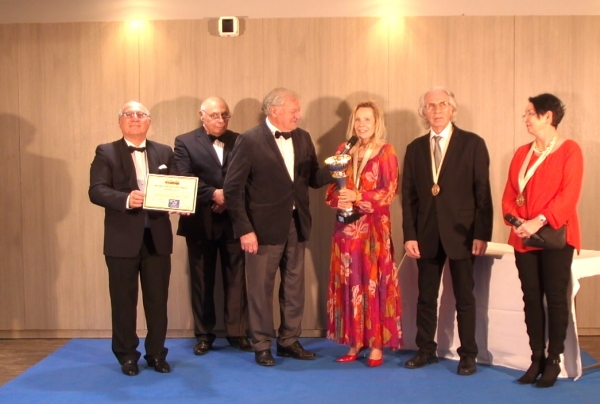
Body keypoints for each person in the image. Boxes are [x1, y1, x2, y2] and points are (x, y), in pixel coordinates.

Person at [223, 88, 332, 367]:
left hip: (297, 224)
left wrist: (335, 169)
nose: (299, 115)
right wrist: (245, 229)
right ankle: (261, 344)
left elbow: (313, 179)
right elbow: (233, 190)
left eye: (298, 110)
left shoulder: (304, 137)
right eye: (293, 110)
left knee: (295, 287)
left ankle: (289, 340)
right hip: (261, 230)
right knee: (260, 289)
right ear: (274, 111)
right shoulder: (249, 140)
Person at [401, 87, 493, 376]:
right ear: (424, 112)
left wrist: (482, 233)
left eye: (442, 105)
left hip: (463, 233)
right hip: (426, 234)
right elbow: (409, 197)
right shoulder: (415, 148)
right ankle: (426, 349)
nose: (437, 110)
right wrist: (409, 234)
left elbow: (482, 193)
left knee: (465, 297)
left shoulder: (473, 143)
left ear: (453, 109)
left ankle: (468, 355)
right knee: (425, 297)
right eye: (431, 106)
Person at [502, 93, 583, 388]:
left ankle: (554, 359)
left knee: (556, 298)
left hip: (556, 235)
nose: (525, 119)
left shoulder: (569, 150)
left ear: (548, 116)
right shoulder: (522, 153)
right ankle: (536, 357)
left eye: (530, 113)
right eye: (525, 114)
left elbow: (569, 195)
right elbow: (511, 193)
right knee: (531, 297)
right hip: (524, 236)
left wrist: (539, 219)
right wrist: (516, 221)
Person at [89, 101, 176, 376]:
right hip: (121, 239)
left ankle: (156, 354)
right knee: (123, 301)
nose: (135, 118)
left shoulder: (164, 151)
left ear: (149, 121)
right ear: (120, 121)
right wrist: (126, 198)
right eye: (129, 114)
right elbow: (96, 190)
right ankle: (127, 356)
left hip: (157, 238)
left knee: (157, 301)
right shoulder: (106, 151)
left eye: (140, 114)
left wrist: (180, 203)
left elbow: (177, 186)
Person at [325, 101, 402, 367]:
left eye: (367, 120)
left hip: (373, 231)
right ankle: (354, 341)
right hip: (345, 231)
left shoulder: (386, 152)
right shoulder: (343, 151)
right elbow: (332, 190)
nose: (362, 125)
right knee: (351, 285)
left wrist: (358, 195)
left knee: (372, 284)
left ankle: (377, 344)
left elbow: (389, 192)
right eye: (358, 120)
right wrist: (340, 199)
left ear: (377, 122)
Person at [174, 97, 251, 355]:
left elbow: (249, 176)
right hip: (200, 222)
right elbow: (183, 177)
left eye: (225, 115)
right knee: (202, 279)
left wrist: (228, 199)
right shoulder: (184, 141)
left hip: (233, 220)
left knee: (236, 279)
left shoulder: (240, 140)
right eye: (215, 115)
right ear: (202, 115)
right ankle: (204, 334)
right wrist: (213, 195)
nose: (221, 120)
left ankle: (237, 333)